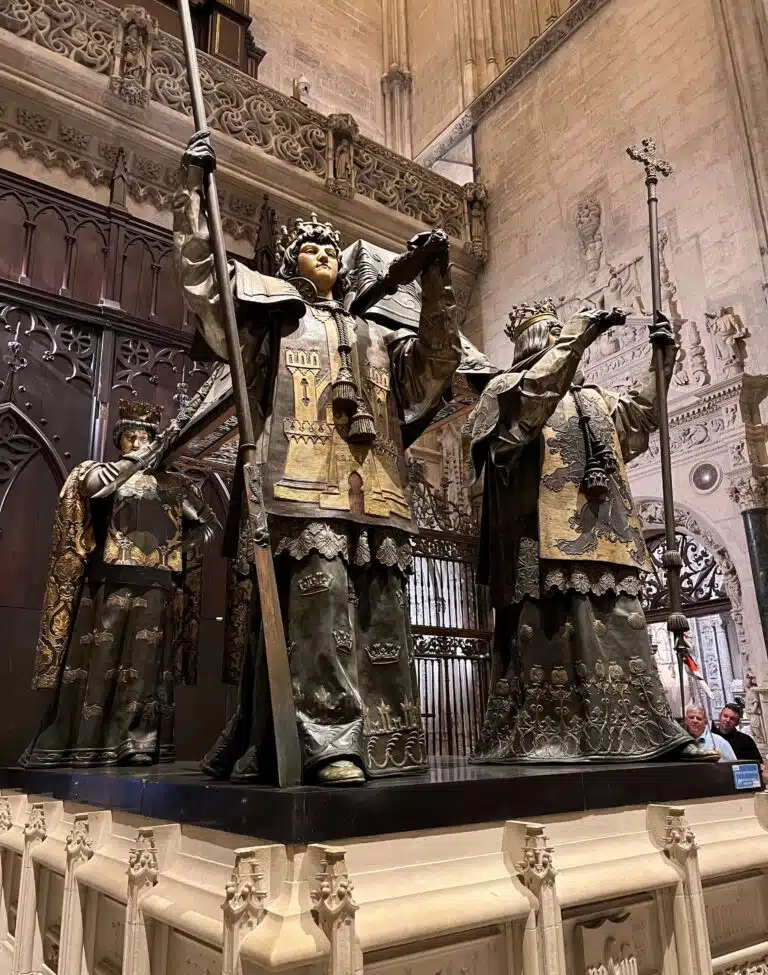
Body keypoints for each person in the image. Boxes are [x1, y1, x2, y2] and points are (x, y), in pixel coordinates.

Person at [172, 130, 460, 785]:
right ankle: (330, 742)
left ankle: (385, 742)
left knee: (382, 622)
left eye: (332, 247)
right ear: (292, 262)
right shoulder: (276, 317)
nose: (324, 254)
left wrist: (438, 281)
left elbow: (435, 368)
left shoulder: (378, 335)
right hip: (301, 487)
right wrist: (194, 195)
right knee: (320, 611)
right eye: (311, 247)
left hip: (377, 489)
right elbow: (209, 289)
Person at [469, 298, 716, 763]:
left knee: (625, 633)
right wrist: (579, 336)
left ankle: (649, 734)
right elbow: (528, 412)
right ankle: (554, 736)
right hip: (539, 546)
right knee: (556, 637)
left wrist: (661, 362)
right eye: (558, 336)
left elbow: (640, 417)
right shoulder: (506, 391)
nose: (571, 346)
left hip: (608, 539)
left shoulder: (597, 401)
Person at [21, 401, 218, 768]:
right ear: (119, 441)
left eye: (146, 437)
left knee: (145, 665)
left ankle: (137, 741)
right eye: (131, 436)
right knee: (99, 661)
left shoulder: (175, 484)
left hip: (158, 582)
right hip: (109, 581)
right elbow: (98, 488)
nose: (139, 442)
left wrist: (178, 547)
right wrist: (140, 459)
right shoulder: (97, 471)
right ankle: (83, 740)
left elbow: (207, 525)